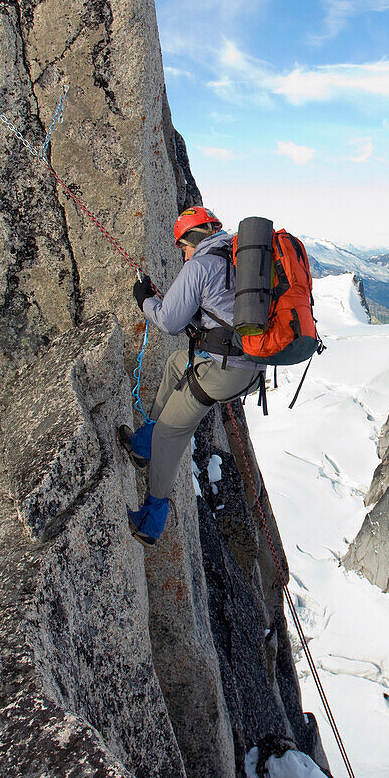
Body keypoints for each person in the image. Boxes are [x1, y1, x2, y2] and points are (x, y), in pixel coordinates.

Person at [121, 206, 265, 546]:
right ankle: (142, 447)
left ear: (191, 238)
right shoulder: (236, 255)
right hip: (250, 366)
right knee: (175, 364)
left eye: (181, 246)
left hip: (224, 370)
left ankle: (150, 520)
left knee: (170, 435)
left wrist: (144, 301)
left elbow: (169, 322)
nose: (183, 254)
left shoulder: (200, 265)